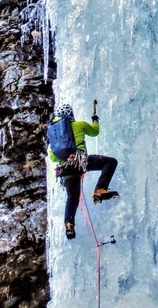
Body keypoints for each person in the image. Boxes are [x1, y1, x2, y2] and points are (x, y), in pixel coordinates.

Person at [48, 103, 119, 240]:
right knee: (110, 162)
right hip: (80, 162)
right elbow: (95, 131)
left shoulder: (54, 134)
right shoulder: (79, 124)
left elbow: (52, 157)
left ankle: (69, 224)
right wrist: (95, 119)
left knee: (72, 198)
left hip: (66, 170)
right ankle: (100, 189)